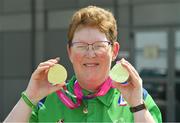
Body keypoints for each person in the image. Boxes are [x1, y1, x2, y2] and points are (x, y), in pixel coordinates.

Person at [4, 6, 162, 123]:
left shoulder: (136, 97)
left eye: (99, 45)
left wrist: (138, 107)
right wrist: (30, 97)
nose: (90, 53)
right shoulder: (46, 100)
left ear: (114, 51)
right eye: (81, 46)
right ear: (70, 52)